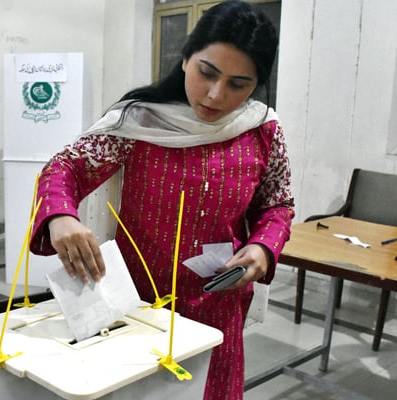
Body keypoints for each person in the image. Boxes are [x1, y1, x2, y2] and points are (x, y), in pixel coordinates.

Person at [29, 2, 294, 399]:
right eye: (207, 73)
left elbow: (278, 203)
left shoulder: (260, 131)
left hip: (217, 303)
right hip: (138, 303)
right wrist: (61, 217)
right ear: (185, 58)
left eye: (238, 84)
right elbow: (62, 169)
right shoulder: (140, 123)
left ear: (256, 85)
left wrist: (263, 246)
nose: (216, 94)